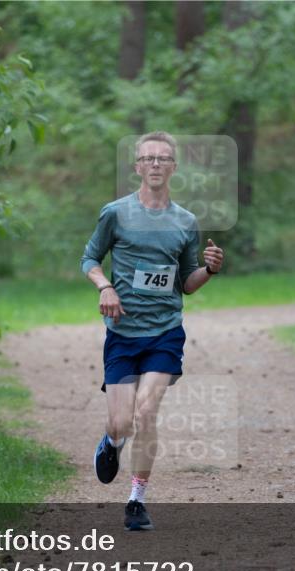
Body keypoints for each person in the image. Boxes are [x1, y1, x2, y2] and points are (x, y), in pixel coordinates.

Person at [79, 131, 224, 531]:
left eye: (164, 158)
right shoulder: (115, 213)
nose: (156, 164)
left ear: (174, 167)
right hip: (123, 333)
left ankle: (136, 501)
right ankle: (111, 442)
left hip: (164, 332)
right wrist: (104, 286)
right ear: (137, 167)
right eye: (148, 158)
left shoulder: (186, 221)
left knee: (146, 411)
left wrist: (209, 269)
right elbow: (89, 258)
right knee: (122, 422)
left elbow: (186, 284)